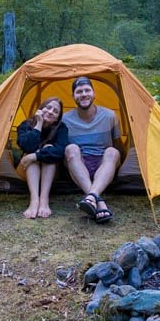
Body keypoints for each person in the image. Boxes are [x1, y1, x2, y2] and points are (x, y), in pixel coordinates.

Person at [62, 77, 121, 223]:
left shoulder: (109, 116)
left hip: (104, 164)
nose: (83, 94)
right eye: (79, 91)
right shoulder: (65, 119)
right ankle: (99, 202)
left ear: (94, 94)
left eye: (87, 90)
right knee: (71, 148)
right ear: (73, 96)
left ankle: (90, 197)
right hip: (79, 165)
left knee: (112, 151)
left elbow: (118, 144)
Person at [15, 97, 68, 219]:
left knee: (47, 153)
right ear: (41, 109)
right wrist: (38, 124)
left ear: (57, 118)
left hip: (50, 173)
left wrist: (37, 155)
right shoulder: (25, 125)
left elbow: (61, 150)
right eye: (48, 107)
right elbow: (27, 146)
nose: (50, 112)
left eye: (55, 111)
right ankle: (34, 200)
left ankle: (44, 200)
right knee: (31, 153)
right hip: (25, 170)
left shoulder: (61, 128)